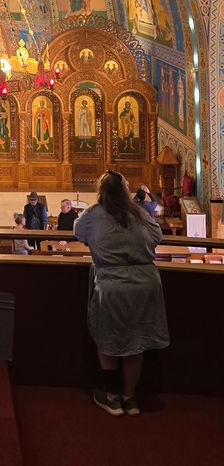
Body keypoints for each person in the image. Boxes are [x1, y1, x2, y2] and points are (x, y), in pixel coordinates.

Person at [73, 170, 169, 416]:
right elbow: (157, 236)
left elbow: (79, 232)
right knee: (135, 343)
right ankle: (131, 398)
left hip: (113, 283)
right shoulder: (138, 212)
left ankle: (113, 396)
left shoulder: (94, 213)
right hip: (145, 281)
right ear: (126, 190)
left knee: (109, 340)